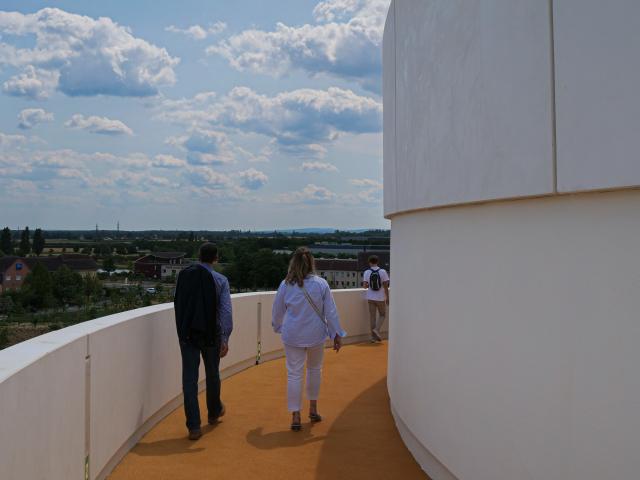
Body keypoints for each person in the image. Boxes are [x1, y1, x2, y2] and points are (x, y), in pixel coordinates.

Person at [272, 247, 346, 431]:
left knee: (294, 373)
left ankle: (295, 415)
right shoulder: (321, 284)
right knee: (314, 370)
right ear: (311, 262)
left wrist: (278, 327)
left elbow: (277, 312)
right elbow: (331, 312)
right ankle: (313, 409)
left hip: (293, 335)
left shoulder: (285, 285)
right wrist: (337, 333)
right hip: (315, 334)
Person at [174, 243, 233, 440]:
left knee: (189, 380)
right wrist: (225, 337)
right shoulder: (220, 280)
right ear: (215, 258)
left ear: (199, 257)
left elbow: (179, 304)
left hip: (188, 334)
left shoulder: (185, 276)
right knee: (212, 374)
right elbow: (225, 312)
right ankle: (214, 412)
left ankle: (194, 427)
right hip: (211, 334)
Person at [362, 255, 390, 343]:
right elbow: (386, 286)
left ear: (369, 262)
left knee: (372, 317)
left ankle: (373, 338)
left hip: (370, 297)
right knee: (382, 315)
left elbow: (365, 286)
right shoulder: (383, 271)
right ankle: (377, 330)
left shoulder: (367, 272)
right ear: (377, 262)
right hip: (380, 298)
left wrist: (368, 284)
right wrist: (387, 297)